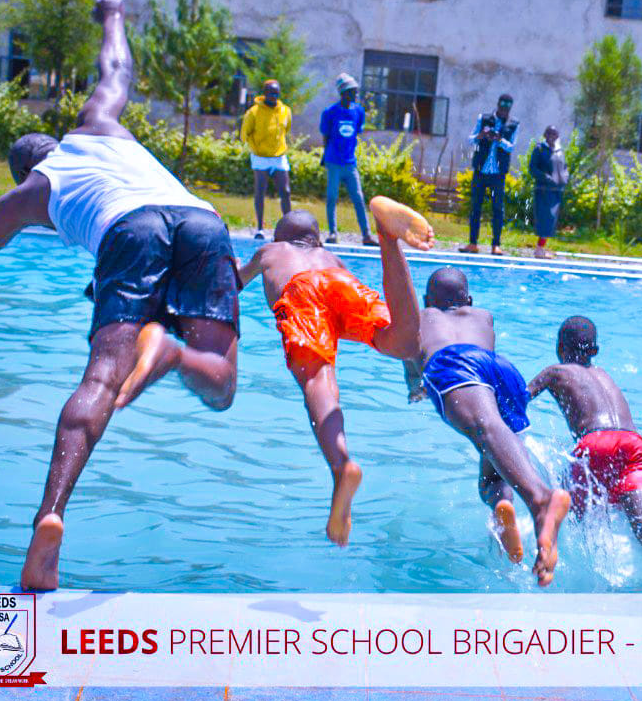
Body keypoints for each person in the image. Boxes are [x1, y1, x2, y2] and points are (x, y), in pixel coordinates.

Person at [0, 0, 241, 591]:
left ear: (25, 169)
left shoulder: (31, 193)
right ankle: (175, 352)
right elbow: (117, 68)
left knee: (100, 380)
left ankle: (50, 516)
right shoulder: (99, 123)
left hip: (129, 231)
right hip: (202, 220)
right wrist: (114, 15)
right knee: (222, 388)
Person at [236, 201, 434, 545]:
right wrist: (413, 376)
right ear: (318, 243)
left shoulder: (271, 250)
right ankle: (388, 239)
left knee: (318, 378)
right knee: (403, 342)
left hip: (303, 291)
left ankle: (341, 465)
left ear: (279, 238)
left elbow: (233, 284)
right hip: (341, 282)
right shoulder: (333, 259)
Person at [405, 267, 570, 585]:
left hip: (453, 367)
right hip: (500, 370)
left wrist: (416, 385)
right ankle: (502, 504)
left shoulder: (422, 316)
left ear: (428, 300)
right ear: (468, 300)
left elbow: (412, 363)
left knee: (487, 428)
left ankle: (540, 501)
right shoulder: (482, 315)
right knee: (494, 467)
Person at [528, 317, 642, 554]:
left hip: (593, 444)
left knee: (574, 527)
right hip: (632, 442)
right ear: (595, 350)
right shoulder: (604, 374)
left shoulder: (556, 371)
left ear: (559, 348)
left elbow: (518, 398)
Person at [318, 73, 375, 246]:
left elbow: (356, 132)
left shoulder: (358, 111)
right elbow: (326, 136)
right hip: (334, 161)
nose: (356, 94)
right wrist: (326, 156)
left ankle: (366, 234)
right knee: (332, 197)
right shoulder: (330, 112)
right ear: (344, 93)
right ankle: (333, 232)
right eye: (353, 91)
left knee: (358, 197)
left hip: (350, 163)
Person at [462, 93, 519, 256]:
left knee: (497, 209)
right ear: (498, 105)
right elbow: (470, 139)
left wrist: (499, 139)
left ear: (510, 108)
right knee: (475, 208)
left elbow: (512, 147)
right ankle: (473, 243)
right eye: (501, 107)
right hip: (481, 171)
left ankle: (496, 245)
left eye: (506, 108)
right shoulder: (484, 118)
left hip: (498, 174)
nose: (503, 111)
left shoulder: (513, 124)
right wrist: (482, 135)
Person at [240, 79, 293, 239]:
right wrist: (255, 148)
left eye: (276, 93)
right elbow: (244, 134)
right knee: (260, 191)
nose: (273, 96)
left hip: (278, 156)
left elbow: (287, 129)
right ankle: (260, 228)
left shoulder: (285, 110)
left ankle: (289, 228)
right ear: (264, 94)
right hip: (260, 157)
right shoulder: (253, 112)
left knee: (286, 191)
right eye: (270, 93)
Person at [529, 125, 569, 259]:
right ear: (545, 135)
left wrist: (565, 177)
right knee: (545, 220)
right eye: (550, 134)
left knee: (551, 221)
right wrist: (546, 178)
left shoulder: (559, 151)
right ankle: (539, 250)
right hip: (543, 190)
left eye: (555, 135)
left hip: (556, 191)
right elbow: (532, 168)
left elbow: (564, 167)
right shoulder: (539, 149)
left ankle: (541, 248)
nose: (552, 137)